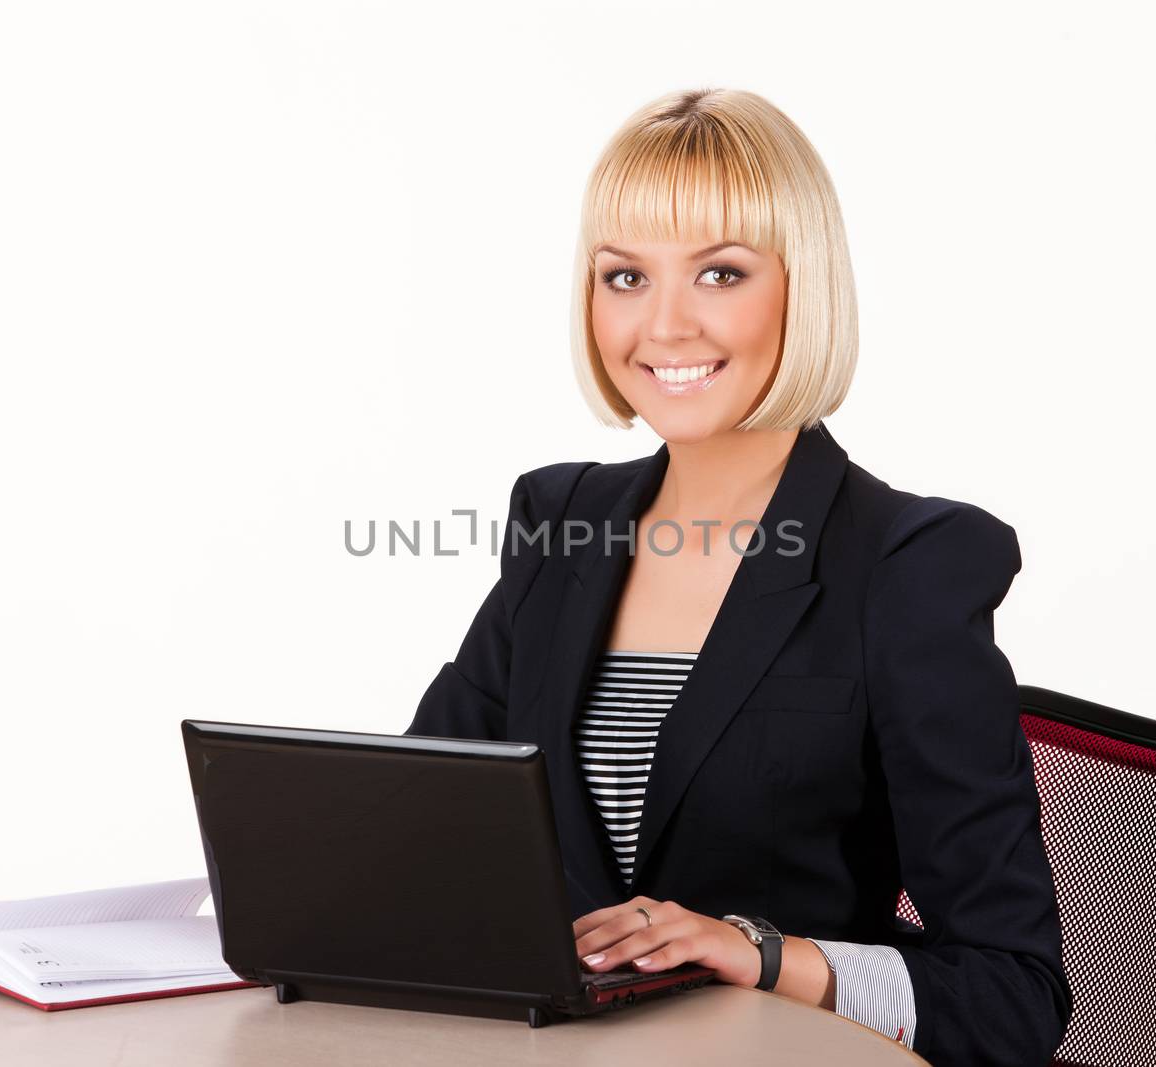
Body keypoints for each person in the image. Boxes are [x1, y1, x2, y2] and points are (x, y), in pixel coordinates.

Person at [404, 87, 1071, 1067]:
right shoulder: (563, 522)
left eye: (718, 271)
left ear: (804, 289)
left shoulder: (906, 562)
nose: (663, 325)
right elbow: (417, 832)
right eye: (623, 276)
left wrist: (757, 952)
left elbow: (1014, 994)